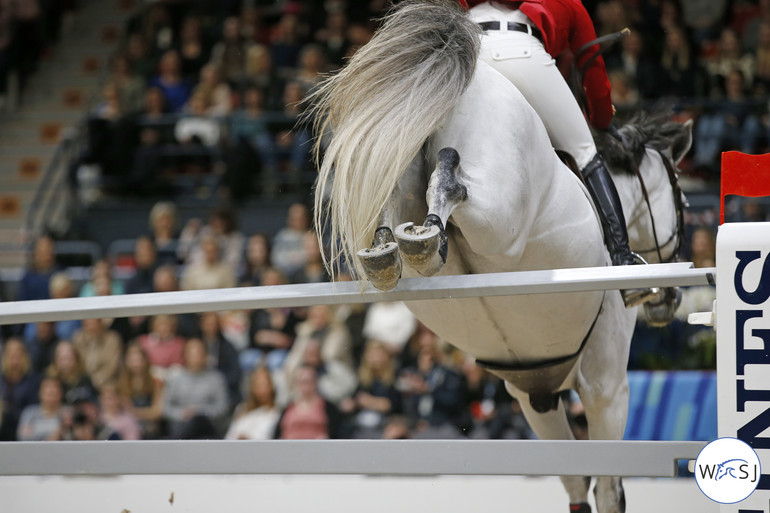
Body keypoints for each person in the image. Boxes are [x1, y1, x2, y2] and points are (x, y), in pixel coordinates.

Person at [458, 0, 651, 306]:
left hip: (470, 54)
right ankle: (623, 261)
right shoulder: (569, 3)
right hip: (521, 51)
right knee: (585, 150)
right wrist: (602, 120)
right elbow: (592, 68)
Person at [163, 338, 229, 439]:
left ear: (205, 356)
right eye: (191, 354)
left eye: (198, 353)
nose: (195, 357)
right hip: (181, 424)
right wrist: (182, 414)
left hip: (207, 427)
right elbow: (166, 407)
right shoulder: (176, 378)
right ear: (185, 356)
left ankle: (171, 443)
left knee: (198, 420)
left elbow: (222, 408)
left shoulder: (216, 379)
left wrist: (198, 412)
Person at [117, 343, 165, 439]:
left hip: (150, 426)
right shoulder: (122, 383)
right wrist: (143, 412)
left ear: (145, 360)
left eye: (138, 360)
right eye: (132, 360)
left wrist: (135, 412)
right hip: (128, 424)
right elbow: (124, 409)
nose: (136, 364)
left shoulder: (155, 382)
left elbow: (157, 412)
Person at [0, 338, 41, 440]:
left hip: (24, 425)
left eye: (18, 353)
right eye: (10, 353)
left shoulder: (32, 380)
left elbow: (33, 408)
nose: (14, 357)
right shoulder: (1, 380)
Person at [225, 366, 280, 440]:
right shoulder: (241, 409)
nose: (262, 389)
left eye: (264, 384)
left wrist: (247, 439)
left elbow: (267, 438)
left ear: (272, 386)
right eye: (258, 384)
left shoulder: (276, 412)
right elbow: (229, 437)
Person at [16, 377, 64, 441]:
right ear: (41, 394)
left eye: (54, 394)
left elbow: (73, 436)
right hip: (33, 449)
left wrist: (34, 433)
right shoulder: (30, 412)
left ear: (60, 394)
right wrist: (50, 437)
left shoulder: (66, 412)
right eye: (49, 394)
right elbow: (22, 436)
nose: (51, 398)